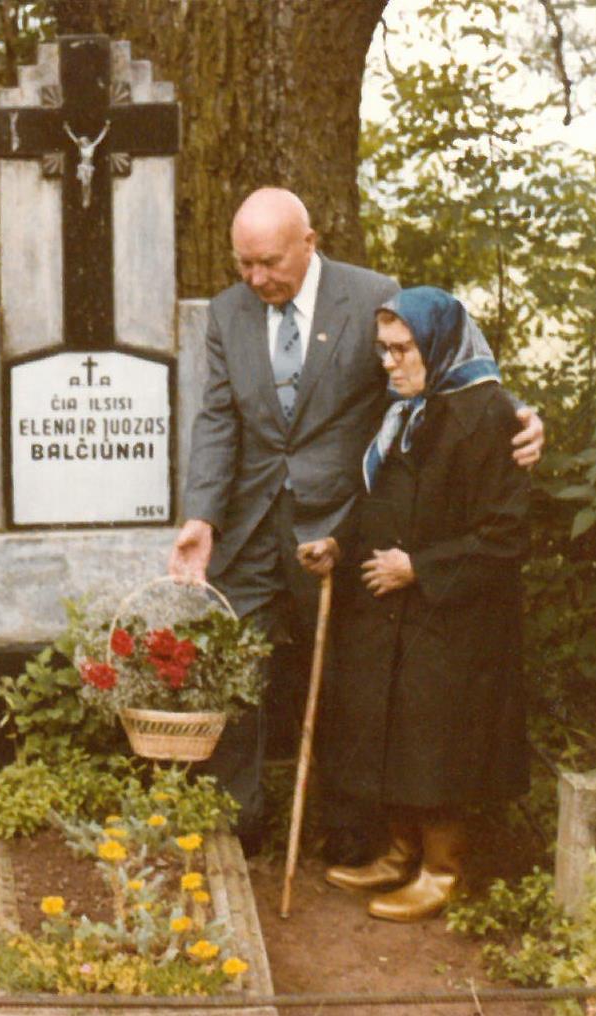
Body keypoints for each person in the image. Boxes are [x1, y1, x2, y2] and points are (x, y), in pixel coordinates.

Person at [169, 188, 542, 860]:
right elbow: (218, 418)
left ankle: (350, 820)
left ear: (309, 242)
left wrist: (519, 413)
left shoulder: (371, 293)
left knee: (346, 669)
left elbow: (439, 368)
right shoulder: (228, 313)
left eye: (268, 263)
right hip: (248, 522)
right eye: (242, 265)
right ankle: (237, 815)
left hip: (343, 519)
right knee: (234, 667)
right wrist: (202, 517)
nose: (255, 280)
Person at [296, 286, 529, 921]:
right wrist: (341, 546)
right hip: (396, 607)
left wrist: (418, 569)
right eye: (385, 351)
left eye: (403, 350)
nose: (391, 363)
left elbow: (505, 536)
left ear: (441, 345)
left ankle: (442, 869)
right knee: (393, 727)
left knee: (437, 737)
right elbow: (384, 506)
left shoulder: (490, 416)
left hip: (457, 618)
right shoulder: (406, 409)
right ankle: (400, 852)